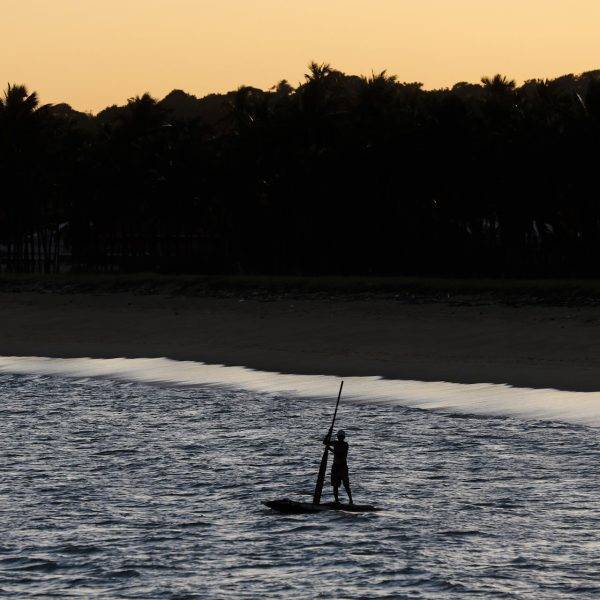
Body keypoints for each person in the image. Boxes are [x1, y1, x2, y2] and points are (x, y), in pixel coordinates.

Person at [324, 429, 353, 505]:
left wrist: (330, 449)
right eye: (339, 437)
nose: (340, 438)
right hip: (335, 466)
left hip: (343, 467)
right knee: (335, 485)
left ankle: (350, 500)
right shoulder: (335, 443)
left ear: (343, 437)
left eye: (341, 437)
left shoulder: (345, 445)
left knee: (346, 484)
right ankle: (336, 501)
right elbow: (325, 442)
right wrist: (328, 434)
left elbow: (339, 454)